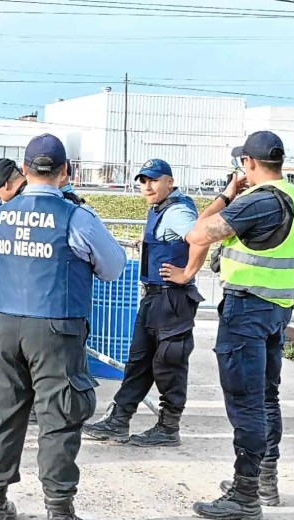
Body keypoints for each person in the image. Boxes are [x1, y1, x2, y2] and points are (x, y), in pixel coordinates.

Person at [161, 132, 294, 519]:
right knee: (267, 397)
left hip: (246, 310)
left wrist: (229, 194)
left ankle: (245, 495)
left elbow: (197, 231)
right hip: (277, 309)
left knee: (246, 402)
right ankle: (264, 480)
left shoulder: (259, 202)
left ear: (248, 163)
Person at [0, 134, 127, 519]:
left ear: (24, 171)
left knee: (3, 414)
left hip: (4, 326)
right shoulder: (77, 217)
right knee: (59, 416)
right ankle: (59, 509)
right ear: (65, 172)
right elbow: (114, 269)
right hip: (58, 330)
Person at [83, 159, 201, 447]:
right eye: (143, 181)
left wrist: (187, 274)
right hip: (154, 297)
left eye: (153, 180)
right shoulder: (161, 209)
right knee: (139, 362)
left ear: (169, 182)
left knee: (168, 365)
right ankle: (119, 420)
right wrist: (146, 241)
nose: (146, 186)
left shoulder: (178, 210)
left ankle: (168, 427)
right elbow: (171, 238)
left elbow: (199, 237)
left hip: (172, 299)